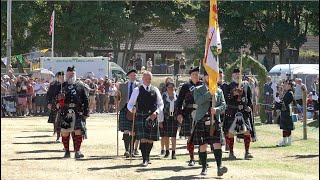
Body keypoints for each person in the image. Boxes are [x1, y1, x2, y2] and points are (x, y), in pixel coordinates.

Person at [192, 70, 228, 176]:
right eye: (208, 76)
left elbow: (223, 105)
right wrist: (210, 93)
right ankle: (204, 168)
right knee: (203, 145)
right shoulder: (198, 89)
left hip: (214, 120)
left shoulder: (219, 90)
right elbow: (198, 101)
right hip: (202, 120)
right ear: (204, 78)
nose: (210, 78)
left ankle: (219, 167)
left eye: (212, 77)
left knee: (217, 144)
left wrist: (216, 109)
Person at [127, 71, 164, 167]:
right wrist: (133, 110)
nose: (148, 80)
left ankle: (147, 156)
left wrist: (156, 113)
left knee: (150, 139)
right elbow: (130, 104)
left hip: (152, 116)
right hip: (141, 116)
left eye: (150, 78)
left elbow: (161, 104)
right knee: (143, 139)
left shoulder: (155, 89)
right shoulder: (137, 89)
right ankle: (145, 159)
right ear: (142, 79)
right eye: (146, 78)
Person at [223, 68, 254, 160]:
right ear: (232, 76)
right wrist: (233, 94)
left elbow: (249, 98)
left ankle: (247, 152)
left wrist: (249, 106)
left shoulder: (246, 85)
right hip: (232, 112)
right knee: (231, 133)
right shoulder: (228, 86)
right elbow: (226, 98)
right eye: (235, 74)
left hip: (243, 112)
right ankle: (231, 153)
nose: (237, 75)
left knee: (247, 131)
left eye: (239, 74)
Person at [60, 66, 89, 158]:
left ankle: (77, 151)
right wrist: (59, 99)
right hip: (66, 111)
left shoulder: (80, 85)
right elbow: (55, 100)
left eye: (72, 73)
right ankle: (67, 151)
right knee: (65, 132)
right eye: (69, 74)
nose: (71, 75)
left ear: (75, 74)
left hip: (77, 111)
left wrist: (86, 113)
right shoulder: (62, 86)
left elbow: (86, 99)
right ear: (66, 74)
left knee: (78, 131)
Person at [176, 66, 203, 166]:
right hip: (188, 113)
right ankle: (192, 158)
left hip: (201, 112)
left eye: (197, 74)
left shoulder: (203, 85)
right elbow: (179, 101)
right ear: (190, 76)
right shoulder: (185, 86)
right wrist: (179, 113)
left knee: (202, 137)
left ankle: (201, 158)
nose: (195, 76)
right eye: (193, 74)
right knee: (190, 137)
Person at [117, 69, 140, 158]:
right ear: (128, 76)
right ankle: (127, 150)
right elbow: (118, 97)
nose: (133, 77)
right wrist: (116, 96)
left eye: (135, 75)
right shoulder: (122, 86)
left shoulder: (139, 86)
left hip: (135, 109)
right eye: (132, 75)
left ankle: (131, 150)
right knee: (126, 130)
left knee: (133, 131)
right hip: (124, 108)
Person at [159, 82, 178, 159]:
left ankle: (173, 152)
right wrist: (160, 120)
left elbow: (180, 107)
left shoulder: (177, 96)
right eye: (169, 87)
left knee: (173, 136)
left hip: (174, 118)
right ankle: (167, 151)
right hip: (165, 118)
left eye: (172, 87)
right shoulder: (163, 96)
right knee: (166, 135)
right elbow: (160, 108)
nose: (170, 89)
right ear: (166, 88)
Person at [276, 80, 296, 147]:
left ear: (289, 85)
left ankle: (288, 141)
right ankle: (285, 141)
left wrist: (279, 102)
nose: (284, 85)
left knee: (287, 127)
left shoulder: (290, 93)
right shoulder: (287, 92)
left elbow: (286, 102)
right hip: (285, 111)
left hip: (287, 111)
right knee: (285, 127)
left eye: (286, 84)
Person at [47, 71, 65, 142]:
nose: (62, 78)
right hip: (55, 104)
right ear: (57, 77)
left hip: (64, 104)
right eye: (60, 77)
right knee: (56, 119)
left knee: (62, 120)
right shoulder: (53, 85)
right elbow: (49, 95)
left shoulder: (66, 85)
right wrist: (49, 103)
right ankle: (57, 134)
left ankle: (62, 135)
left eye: (63, 77)